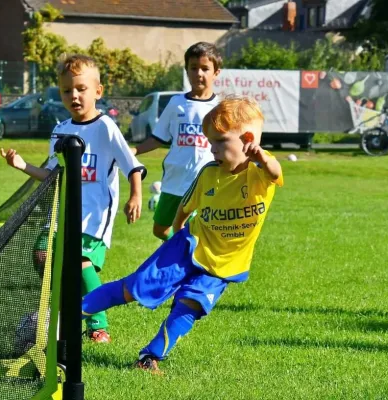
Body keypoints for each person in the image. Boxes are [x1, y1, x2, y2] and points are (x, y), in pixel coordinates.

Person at [81, 96, 283, 371]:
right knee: (133, 289)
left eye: (220, 142)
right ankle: (65, 317)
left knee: (190, 305)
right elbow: (185, 209)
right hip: (188, 247)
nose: (212, 149)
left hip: (224, 266)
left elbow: (274, 171)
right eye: (210, 142)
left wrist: (260, 156)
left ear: (248, 139)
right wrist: (176, 233)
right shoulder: (209, 174)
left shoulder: (259, 175)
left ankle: (149, 358)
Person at [1, 55, 146, 343]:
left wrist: (136, 196)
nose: (74, 95)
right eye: (67, 90)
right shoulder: (59, 130)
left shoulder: (105, 127)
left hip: (93, 215)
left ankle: (98, 325)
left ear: (98, 92)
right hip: (62, 212)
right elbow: (55, 174)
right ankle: (59, 312)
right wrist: (23, 166)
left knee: (81, 263)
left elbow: (132, 165)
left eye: (81, 88)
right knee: (42, 255)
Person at [132, 42, 222, 240]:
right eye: (194, 68)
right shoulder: (176, 103)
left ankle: (189, 263)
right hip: (174, 180)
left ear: (216, 72)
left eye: (205, 68)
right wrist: (135, 151)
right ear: (187, 70)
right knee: (161, 230)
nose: (199, 73)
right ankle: (183, 253)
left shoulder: (220, 108)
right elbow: (158, 138)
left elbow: (228, 144)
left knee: (194, 231)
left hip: (204, 181)